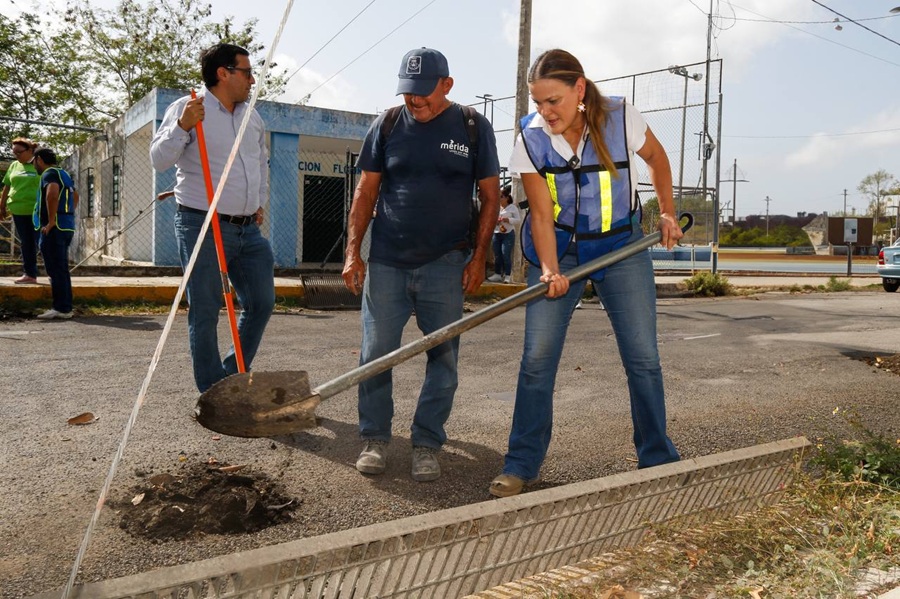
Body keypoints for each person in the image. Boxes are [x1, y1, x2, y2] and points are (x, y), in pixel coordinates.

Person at [490, 49, 683, 498]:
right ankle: (521, 464)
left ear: (579, 90)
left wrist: (668, 212)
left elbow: (658, 160)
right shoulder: (530, 136)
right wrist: (551, 272)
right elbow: (539, 214)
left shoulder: (620, 116)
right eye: (538, 102)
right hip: (560, 250)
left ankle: (656, 457)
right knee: (537, 361)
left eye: (553, 100)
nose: (545, 112)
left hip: (622, 246)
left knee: (643, 358)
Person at [342, 47, 500, 482]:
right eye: (409, 92)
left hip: (447, 263)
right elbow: (365, 193)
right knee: (375, 355)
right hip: (388, 261)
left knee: (443, 359)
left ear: (447, 84)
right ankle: (375, 438)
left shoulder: (472, 126)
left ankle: (427, 442)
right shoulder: (387, 124)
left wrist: (479, 256)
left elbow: (490, 198)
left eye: (424, 93)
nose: (416, 101)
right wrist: (354, 252)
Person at [150, 43, 275, 394]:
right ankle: (211, 390)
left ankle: (230, 373)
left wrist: (258, 200)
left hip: (247, 228)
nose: (252, 80)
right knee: (205, 307)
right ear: (223, 73)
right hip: (201, 223)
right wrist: (182, 125)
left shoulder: (253, 117)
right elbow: (159, 160)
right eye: (247, 72)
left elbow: (260, 164)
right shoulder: (189, 108)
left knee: (262, 302)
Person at [32, 148, 79, 319]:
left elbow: (51, 194)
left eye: (34, 162)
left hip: (54, 228)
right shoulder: (63, 174)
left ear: (39, 159)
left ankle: (61, 308)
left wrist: (51, 220)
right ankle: (65, 306)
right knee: (61, 268)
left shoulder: (49, 174)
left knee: (55, 268)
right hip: (66, 226)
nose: (34, 166)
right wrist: (68, 214)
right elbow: (76, 196)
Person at [1, 138, 41, 284]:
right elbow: (7, 186)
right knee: (26, 243)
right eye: (14, 152)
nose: (16, 155)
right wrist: (2, 206)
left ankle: (55, 274)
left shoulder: (39, 164)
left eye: (19, 152)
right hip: (18, 211)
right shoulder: (14, 166)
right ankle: (30, 274)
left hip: (38, 211)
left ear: (30, 150)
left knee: (42, 242)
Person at [487, 185, 521, 283]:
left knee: (505, 254)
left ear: (507, 198)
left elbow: (518, 220)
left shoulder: (512, 208)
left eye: (501, 197)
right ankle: (497, 274)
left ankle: (507, 275)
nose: (499, 199)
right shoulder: (496, 207)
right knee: (497, 254)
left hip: (508, 234)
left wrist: (507, 219)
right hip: (497, 233)